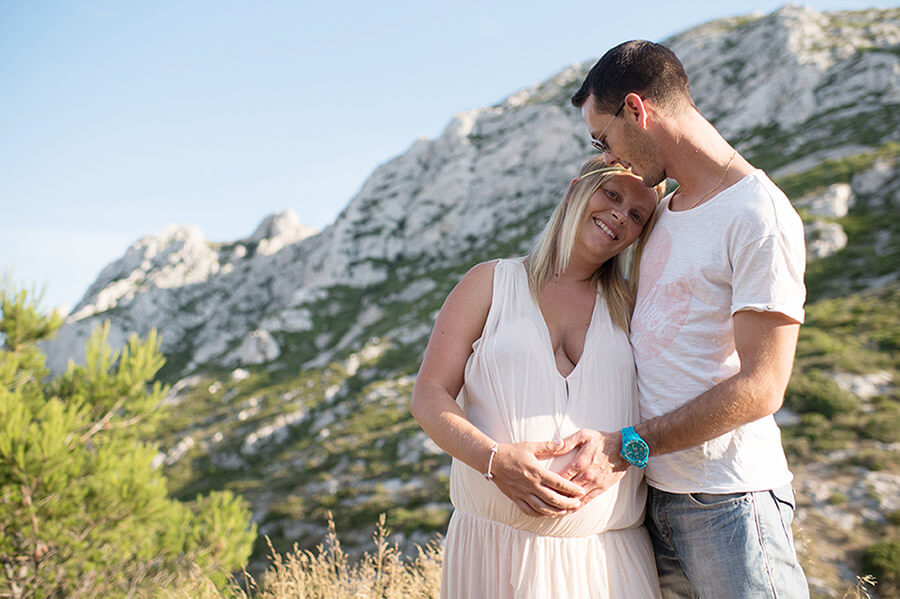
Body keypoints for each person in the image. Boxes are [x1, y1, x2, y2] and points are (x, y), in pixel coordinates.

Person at [550, 40, 810, 598]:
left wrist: (625, 448)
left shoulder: (758, 214)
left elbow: (763, 388)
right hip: (652, 501)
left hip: (729, 502)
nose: (606, 152)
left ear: (638, 110)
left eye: (604, 136)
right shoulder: (662, 210)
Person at [410, 157, 666, 598]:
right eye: (612, 194)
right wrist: (493, 461)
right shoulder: (489, 283)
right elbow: (429, 396)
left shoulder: (636, 306)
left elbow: (674, 405)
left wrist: (629, 449)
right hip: (491, 554)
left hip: (608, 562)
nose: (620, 215)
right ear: (575, 191)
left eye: (637, 215)